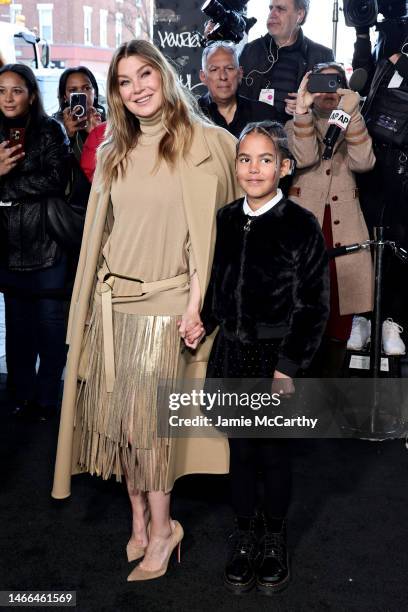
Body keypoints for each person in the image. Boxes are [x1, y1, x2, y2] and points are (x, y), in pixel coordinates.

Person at [51, 40, 240, 582]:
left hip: (166, 310)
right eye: (125, 81)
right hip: (112, 308)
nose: (137, 88)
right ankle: (138, 521)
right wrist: (87, 308)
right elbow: (100, 235)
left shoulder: (206, 143)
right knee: (119, 426)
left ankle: (163, 531)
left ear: (165, 75)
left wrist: (197, 302)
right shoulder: (114, 148)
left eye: (145, 75)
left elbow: (214, 236)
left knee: (150, 430)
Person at [187, 121, 329, 594]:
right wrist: (202, 320)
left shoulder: (301, 225)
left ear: (284, 167)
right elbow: (218, 286)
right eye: (245, 159)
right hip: (233, 356)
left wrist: (287, 366)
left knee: (273, 451)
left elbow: (314, 306)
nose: (254, 168)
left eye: (265, 159)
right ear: (236, 166)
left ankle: (274, 537)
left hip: (274, 360)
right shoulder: (227, 218)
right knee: (241, 450)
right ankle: (245, 534)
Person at [285, 63, 375, 375]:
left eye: (335, 82)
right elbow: (305, 157)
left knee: (339, 325)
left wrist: (352, 114)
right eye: (320, 83)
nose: (327, 90)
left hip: (344, 240)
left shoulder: (352, 123)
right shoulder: (294, 123)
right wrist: (302, 111)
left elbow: (364, 161)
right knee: (301, 320)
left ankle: (329, 396)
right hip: (306, 238)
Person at [0, 64, 70, 419]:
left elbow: (56, 179)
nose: (8, 98)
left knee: (50, 331)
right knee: (18, 334)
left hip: (47, 247)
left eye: (16, 90)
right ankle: (20, 395)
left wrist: (7, 185)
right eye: (2, 91)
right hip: (9, 248)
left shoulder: (50, 130)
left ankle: (46, 399)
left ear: (31, 94)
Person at [348, 31, 408, 355]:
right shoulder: (385, 33)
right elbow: (362, 78)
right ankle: (364, 315)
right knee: (365, 234)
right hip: (372, 151)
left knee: (399, 237)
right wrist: (361, 32)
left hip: (403, 159)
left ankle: (393, 319)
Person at [238, 0, 334, 122]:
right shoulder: (250, 50)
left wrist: (307, 109)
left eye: (280, 9)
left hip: (298, 136)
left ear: (300, 15)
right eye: (270, 8)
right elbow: (235, 101)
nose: (272, 14)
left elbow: (331, 108)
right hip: (254, 134)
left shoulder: (322, 56)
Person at [198, 41, 278, 138]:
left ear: (240, 74)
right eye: (214, 69)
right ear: (203, 77)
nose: (223, 76)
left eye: (229, 68)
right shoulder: (189, 116)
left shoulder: (265, 116)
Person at [53, 66, 106, 207]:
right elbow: (54, 172)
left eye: (86, 88)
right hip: (71, 204)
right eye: (73, 90)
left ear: (94, 92)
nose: (81, 94)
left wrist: (98, 134)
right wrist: (67, 136)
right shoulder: (54, 126)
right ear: (65, 96)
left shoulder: (109, 121)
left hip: (102, 199)